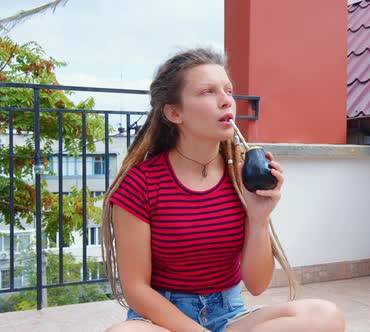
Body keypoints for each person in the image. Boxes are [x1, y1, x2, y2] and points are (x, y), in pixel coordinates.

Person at [101, 48, 345, 332]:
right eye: (207, 92)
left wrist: (259, 217)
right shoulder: (140, 184)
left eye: (228, 91)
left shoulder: (240, 175)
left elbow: (256, 285)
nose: (226, 101)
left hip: (228, 316)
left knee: (325, 316)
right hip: (164, 321)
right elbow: (137, 290)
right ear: (174, 112)